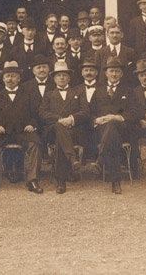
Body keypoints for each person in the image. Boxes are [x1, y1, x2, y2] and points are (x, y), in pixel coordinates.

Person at [0, 61, 44, 194]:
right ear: (3, 79)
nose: (10, 79)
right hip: (2, 133)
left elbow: (36, 114)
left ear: (19, 78)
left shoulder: (28, 95)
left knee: (35, 143)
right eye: (7, 76)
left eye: (13, 76)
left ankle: (32, 179)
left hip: (23, 132)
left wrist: (32, 124)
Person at [89, 56, 140, 193]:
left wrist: (119, 117)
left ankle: (100, 161)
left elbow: (135, 112)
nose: (114, 74)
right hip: (102, 130)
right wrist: (96, 120)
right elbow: (90, 112)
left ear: (121, 74)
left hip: (124, 129)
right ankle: (115, 182)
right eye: (111, 71)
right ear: (106, 73)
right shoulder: (98, 91)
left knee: (113, 127)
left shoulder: (128, 91)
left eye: (117, 71)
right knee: (112, 137)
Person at [39, 61, 90, 194]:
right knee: (59, 127)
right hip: (53, 130)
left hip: (74, 130)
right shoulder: (48, 94)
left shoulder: (78, 92)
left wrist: (71, 119)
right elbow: (43, 113)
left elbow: (85, 112)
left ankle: (60, 181)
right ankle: (72, 159)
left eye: (64, 75)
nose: (61, 77)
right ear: (54, 78)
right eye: (58, 75)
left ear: (69, 78)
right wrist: (60, 119)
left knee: (60, 139)